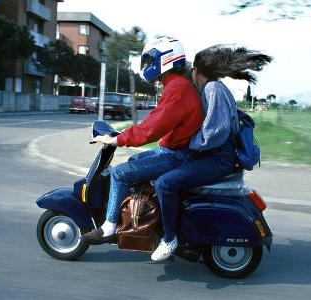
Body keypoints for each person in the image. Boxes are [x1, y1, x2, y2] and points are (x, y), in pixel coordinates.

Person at [150, 45, 273, 261]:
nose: (192, 75)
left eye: (194, 70)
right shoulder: (216, 88)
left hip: (217, 159)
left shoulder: (213, 89)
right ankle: (182, 233)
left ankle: (169, 238)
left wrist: (189, 143)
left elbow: (214, 133)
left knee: (165, 183)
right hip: (216, 157)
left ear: (199, 70)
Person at [80, 36, 204, 245]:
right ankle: (138, 216)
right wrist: (121, 135)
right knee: (132, 164)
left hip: (178, 154)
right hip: (175, 150)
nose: (148, 65)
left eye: (151, 59)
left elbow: (153, 129)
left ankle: (109, 226)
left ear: (166, 58)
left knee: (119, 173)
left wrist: (118, 140)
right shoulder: (176, 85)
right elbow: (155, 121)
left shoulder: (177, 88)